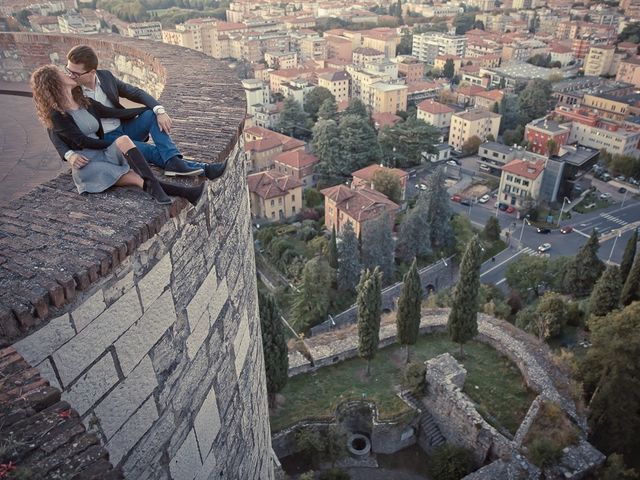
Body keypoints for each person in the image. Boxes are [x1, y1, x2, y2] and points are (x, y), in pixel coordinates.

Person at [31, 64, 204, 205]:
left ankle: (169, 189)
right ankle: (186, 193)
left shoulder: (85, 102)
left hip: (102, 151)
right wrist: (69, 155)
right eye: (61, 72)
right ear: (53, 82)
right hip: (88, 162)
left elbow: (116, 113)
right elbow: (82, 141)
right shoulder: (56, 115)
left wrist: (153, 110)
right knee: (136, 179)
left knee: (124, 141)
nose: (67, 73)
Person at [48, 44, 226, 181]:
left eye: (74, 73)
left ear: (91, 72)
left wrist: (159, 110)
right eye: (67, 70)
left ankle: (175, 163)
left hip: (124, 128)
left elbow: (135, 92)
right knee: (149, 152)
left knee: (151, 115)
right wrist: (68, 154)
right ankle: (203, 169)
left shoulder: (105, 77)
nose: (69, 76)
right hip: (106, 140)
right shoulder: (70, 91)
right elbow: (51, 126)